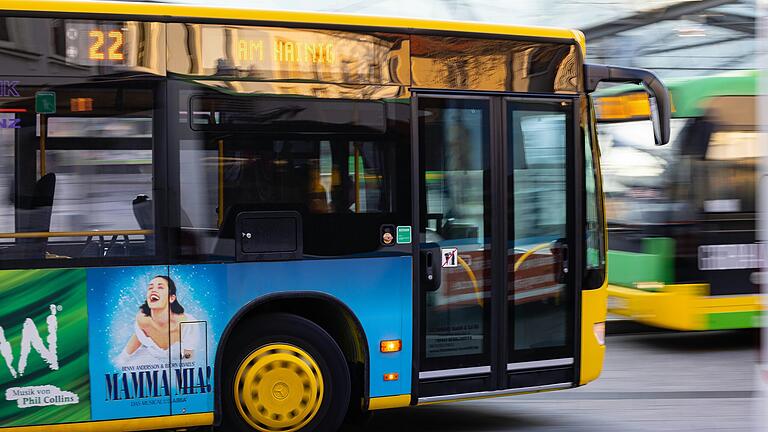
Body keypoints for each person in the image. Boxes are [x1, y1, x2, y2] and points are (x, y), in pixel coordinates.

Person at [116, 275, 202, 368]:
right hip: (151, 364)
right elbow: (138, 337)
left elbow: (189, 360)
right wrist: (121, 360)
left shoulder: (188, 324)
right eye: (150, 288)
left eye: (160, 287)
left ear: (171, 298)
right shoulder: (142, 320)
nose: (153, 290)